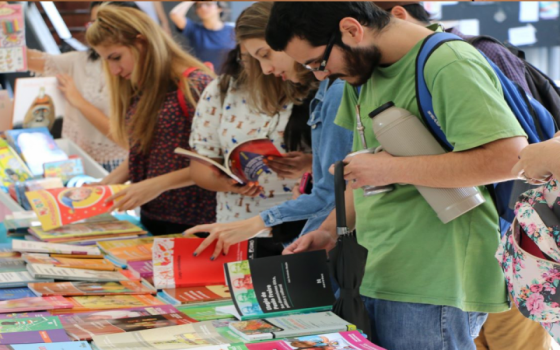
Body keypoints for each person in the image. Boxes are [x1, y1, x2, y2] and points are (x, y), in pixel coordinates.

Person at [266, 2, 529, 350]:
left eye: (318, 63)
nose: (319, 76)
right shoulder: (362, 73)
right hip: (374, 271)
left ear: (351, 30)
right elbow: (361, 172)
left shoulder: (448, 62)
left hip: (434, 281)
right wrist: (327, 231)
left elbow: (509, 158)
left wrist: (389, 168)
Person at [374, 3, 553, 350]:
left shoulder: (468, 54)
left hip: (514, 232)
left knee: (515, 343)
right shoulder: (413, 68)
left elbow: (521, 147)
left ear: (395, 15)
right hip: (479, 242)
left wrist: (393, 168)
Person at [184, 2, 353, 259]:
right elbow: (333, 188)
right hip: (313, 233)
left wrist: (256, 223)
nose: (265, 70)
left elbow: (332, 191)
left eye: (265, 54)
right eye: (251, 59)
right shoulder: (327, 88)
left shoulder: (336, 88)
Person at [85, 4, 217, 235]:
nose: (114, 70)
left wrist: (156, 184)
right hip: (152, 219)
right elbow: (146, 151)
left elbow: (216, 161)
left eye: (116, 57)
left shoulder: (195, 85)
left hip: (196, 224)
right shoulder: (140, 89)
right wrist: (106, 184)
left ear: (142, 42)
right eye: (106, 60)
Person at [189, 44, 313, 225]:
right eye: (245, 59)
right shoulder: (223, 89)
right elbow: (200, 168)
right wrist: (229, 184)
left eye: (263, 55)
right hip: (235, 224)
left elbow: (344, 157)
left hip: (300, 223)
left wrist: (311, 163)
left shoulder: (314, 86)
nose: (263, 68)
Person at [25, 2, 135, 172]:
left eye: (104, 24)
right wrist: (7, 19)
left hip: (120, 166)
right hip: (74, 161)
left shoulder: (134, 71)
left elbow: (125, 139)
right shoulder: (78, 61)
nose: (96, 30)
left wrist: (78, 100)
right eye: (92, 23)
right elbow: (21, 57)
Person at [169, 1, 235, 72]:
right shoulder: (193, 29)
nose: (203, 7)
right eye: (199, 5)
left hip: (230, 78)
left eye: (208, 4)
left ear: (219, 8)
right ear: (196, 11)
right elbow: (175, 14)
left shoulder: (233, 30)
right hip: (205, 79)